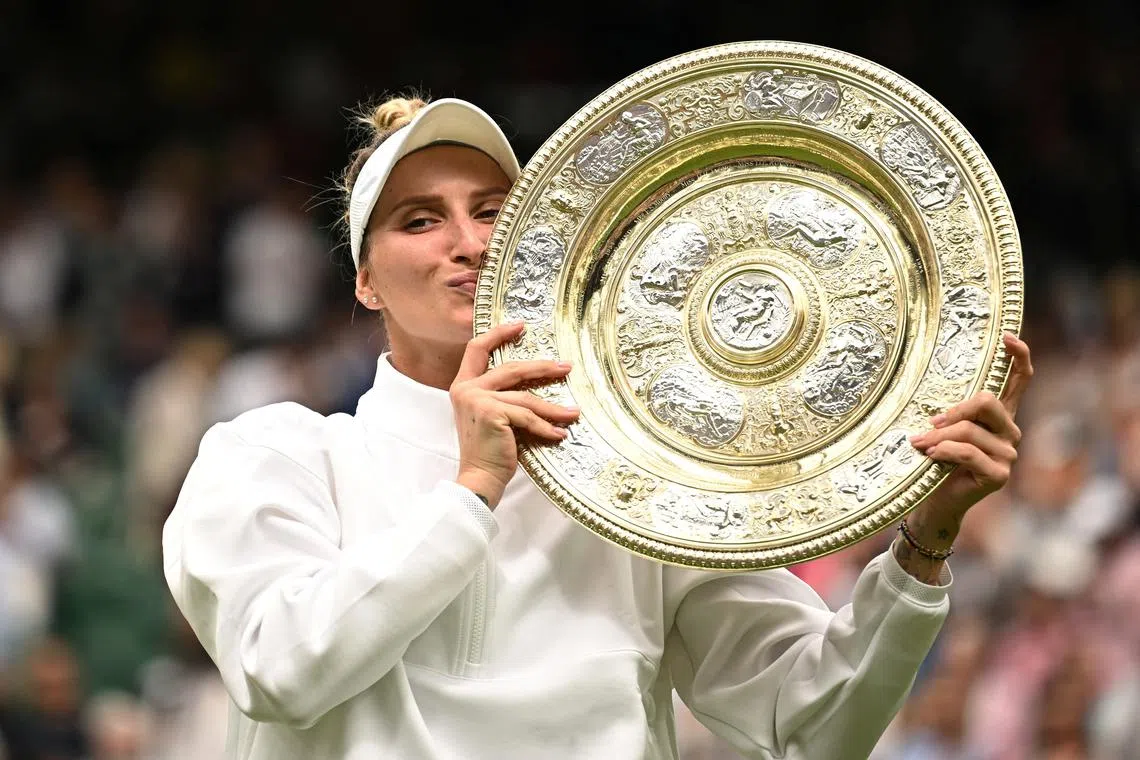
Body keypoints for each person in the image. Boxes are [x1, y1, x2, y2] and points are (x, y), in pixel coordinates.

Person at [161, 95, 1033, 759]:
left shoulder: (645, 480)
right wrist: (475, 489)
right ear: (366, 283)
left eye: (496, 212)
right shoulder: (272, 452)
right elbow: (280, 668)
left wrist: (926, 539)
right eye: (420, 220)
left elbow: (809, 720)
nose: (468, 242)